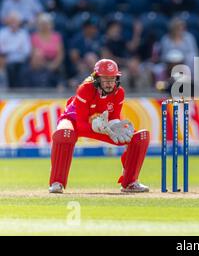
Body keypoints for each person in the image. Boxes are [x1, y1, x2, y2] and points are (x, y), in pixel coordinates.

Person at [48, 59, 150, 194]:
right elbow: (82, 124)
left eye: (112, 79)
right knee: (65, 134)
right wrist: (99, 128)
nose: (109, 83)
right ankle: (57, 183)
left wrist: (112, 127)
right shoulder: (85, 89)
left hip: (102, 125)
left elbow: (114, 117)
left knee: (140, 137)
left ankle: (130, 182)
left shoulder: (119, 92)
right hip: (74, 120)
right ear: (96, 78)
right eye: (105, 79)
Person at [0, 11, 32, 88]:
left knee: (23, 71)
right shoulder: (2, 33)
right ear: (8, 22)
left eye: (15, 21)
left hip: (21, 62)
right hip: (7, 61)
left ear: (19, 22)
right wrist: (17, 48)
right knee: (9, 69)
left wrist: (9, 48)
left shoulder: (23, 33)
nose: (13, 23)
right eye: (11, 20)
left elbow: (27, 51)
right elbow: (1, 50)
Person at [30, 13, 64, 80]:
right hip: (40, 62)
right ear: (39, 25)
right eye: (42, 24)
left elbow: (60, 54)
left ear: (51, 24)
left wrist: (54, 64)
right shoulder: (34, 37)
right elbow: (33, 53)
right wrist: (44, 64)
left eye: (46, 24)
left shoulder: (56, 36)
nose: (44, 26)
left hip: (54, 62)